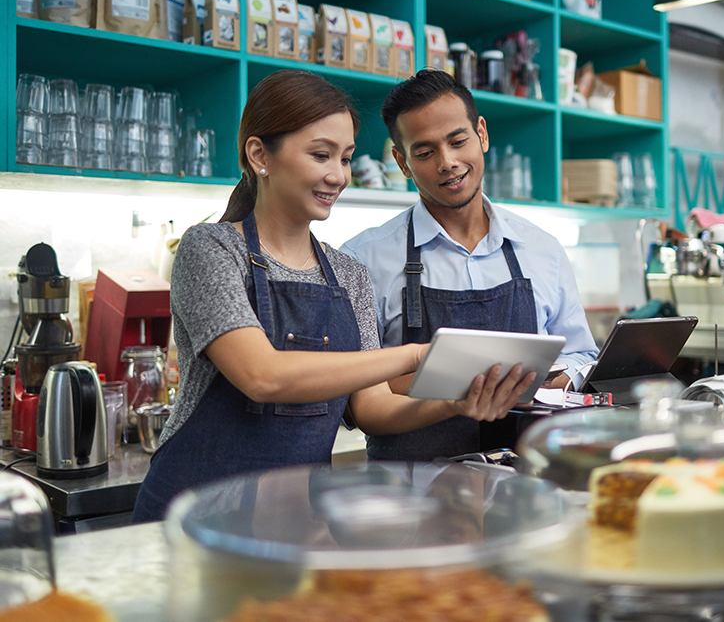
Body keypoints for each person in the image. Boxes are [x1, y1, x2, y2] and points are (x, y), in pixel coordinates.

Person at [131, 70, 535, 522]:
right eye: (321, 155)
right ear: (260, 155)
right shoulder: (210, 248)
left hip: (293, 518)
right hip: (192, 516)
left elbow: (372, 406)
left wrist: (453, 403)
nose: (338, 176)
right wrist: (417, 356)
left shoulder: (348, 273)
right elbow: (261, 375)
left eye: (345, 158)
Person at [341, 70, 598, 462]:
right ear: (402, 162)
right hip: (410, 499)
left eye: (458, 141)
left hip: (526, 487)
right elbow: (359, 395)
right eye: (425, 152)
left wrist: (539, 379)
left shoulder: (541, 249)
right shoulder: (362, 259)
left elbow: (582, 358)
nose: (448, 162)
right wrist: (477, 385)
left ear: (482, 134)